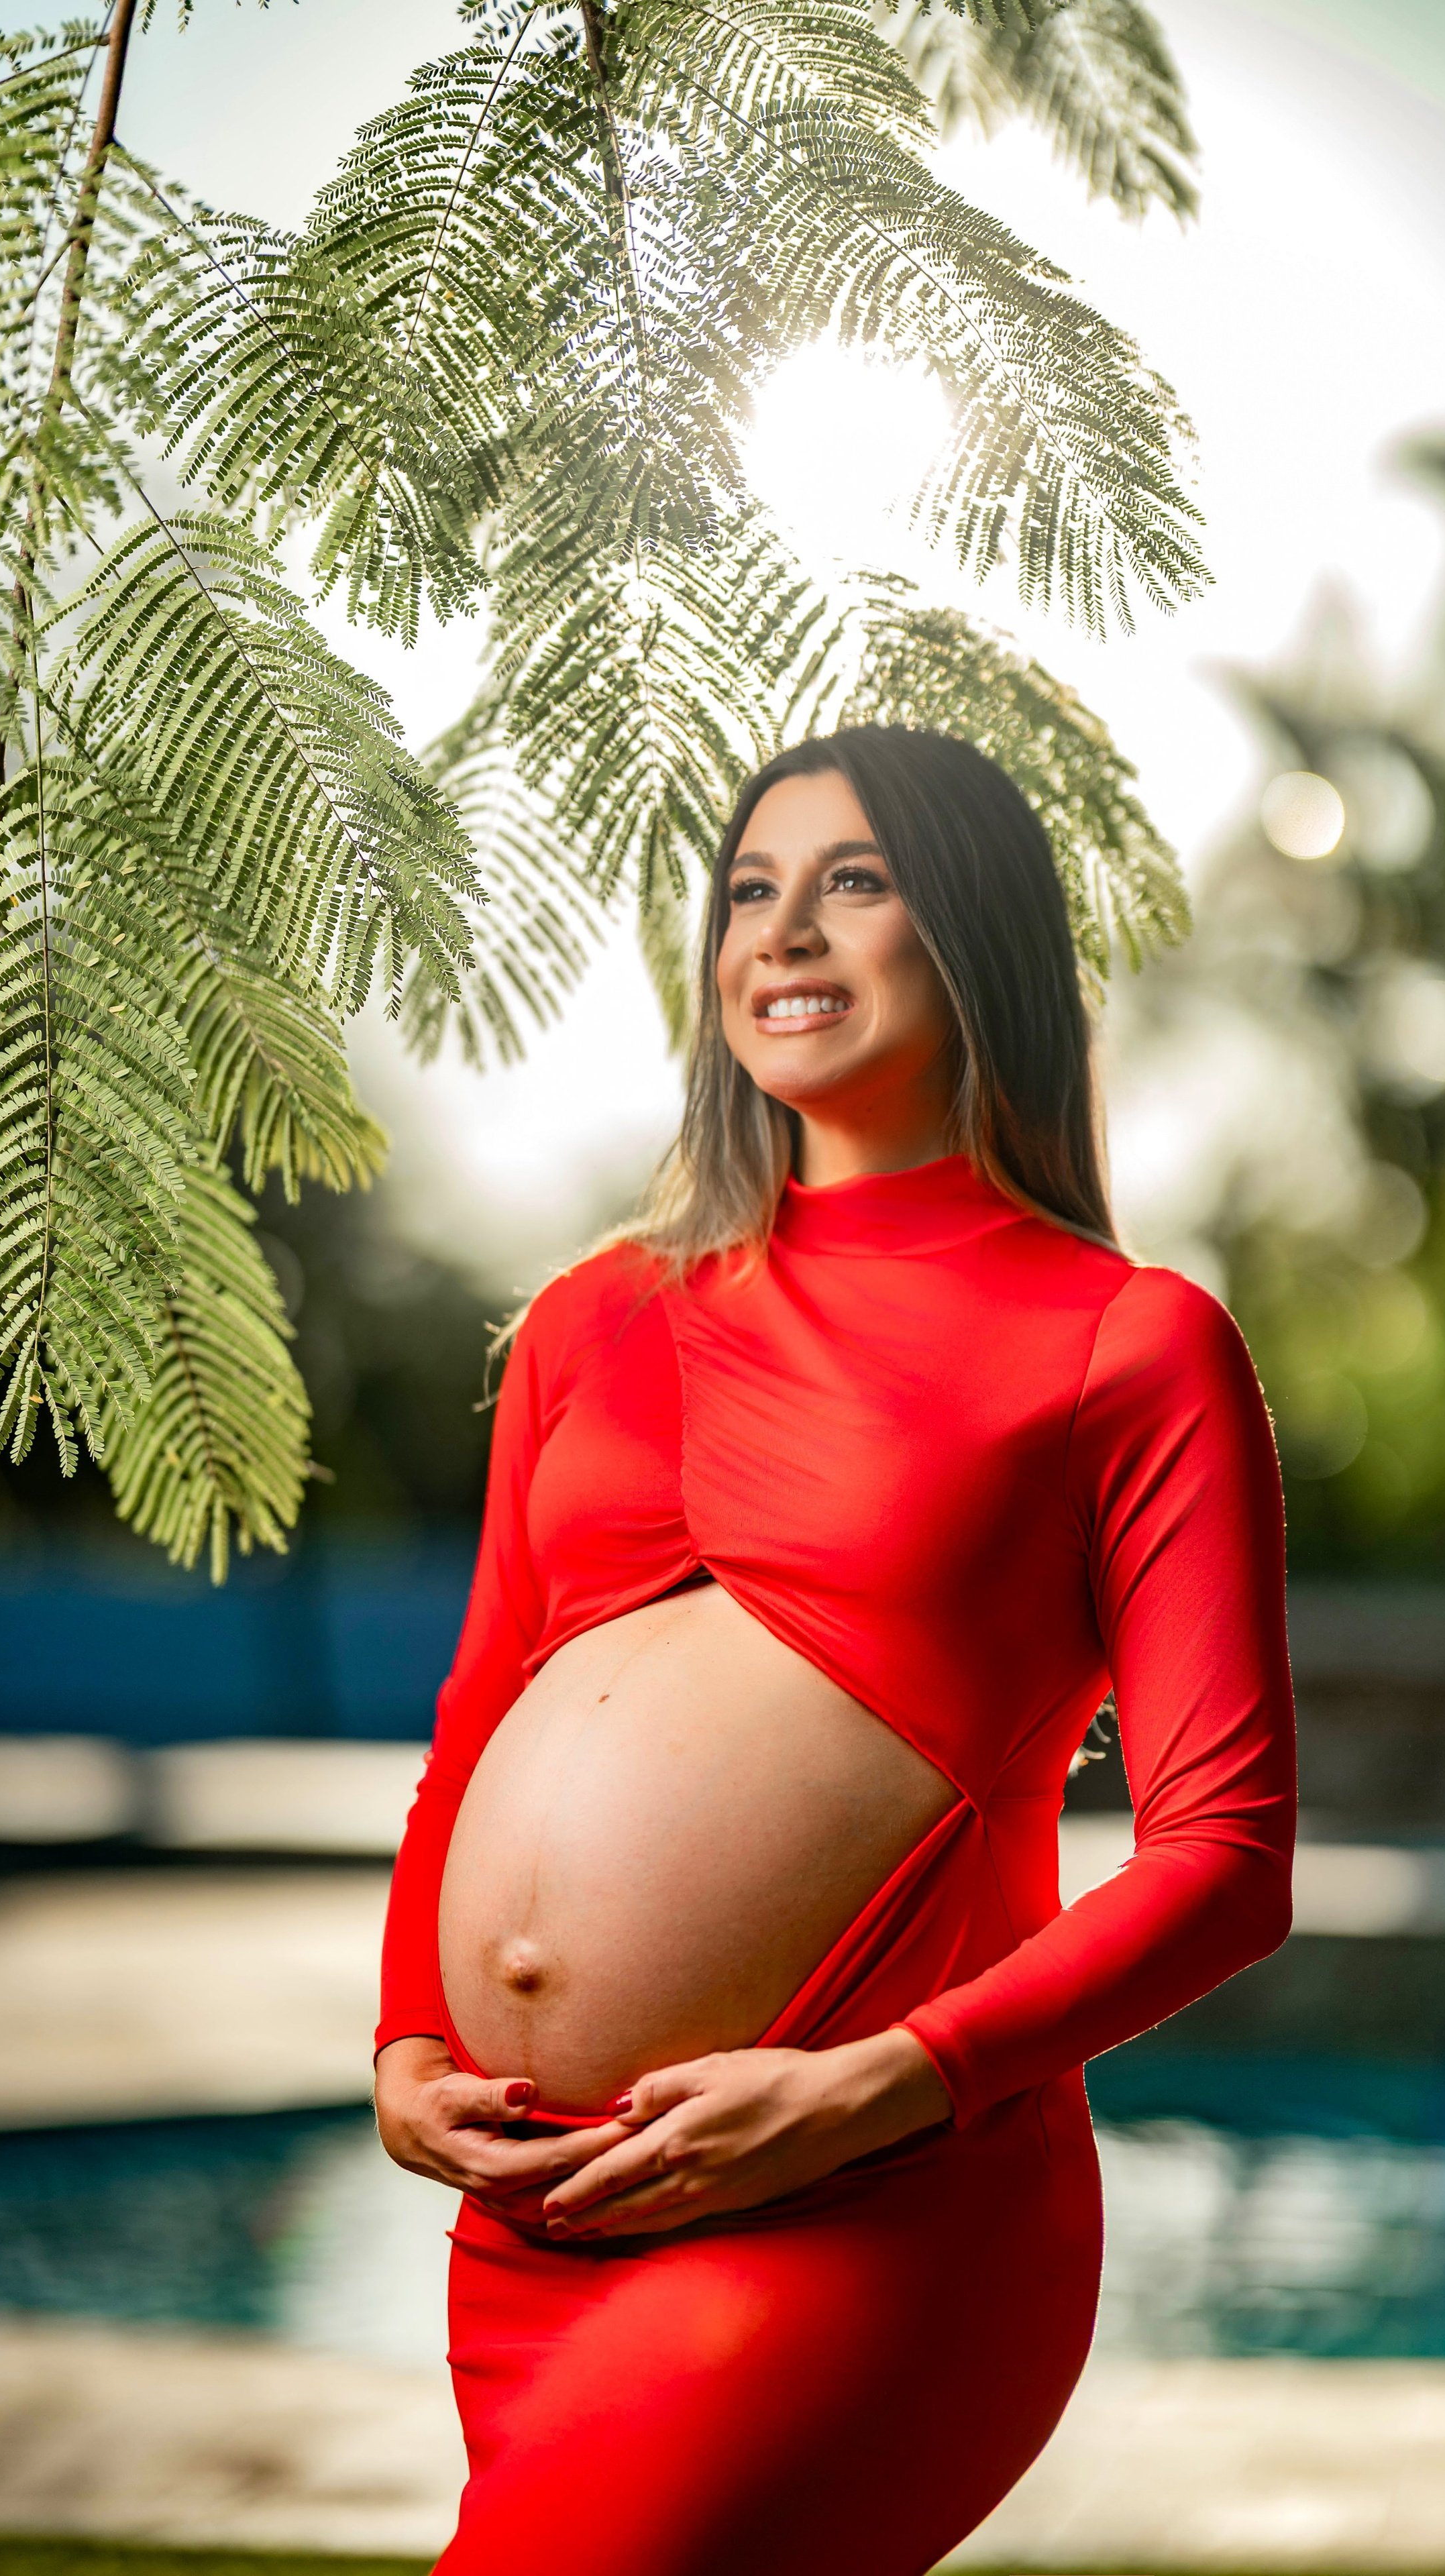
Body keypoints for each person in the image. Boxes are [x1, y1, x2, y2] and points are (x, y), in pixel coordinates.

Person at [373, 727, 1297, 2576]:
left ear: (975, 937)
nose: (784, 934)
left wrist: (871, 2090)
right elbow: (474, 1725)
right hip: (537, 2220)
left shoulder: (1128, 1345)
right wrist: (406, 2038)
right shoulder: (584, 1320)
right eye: (748, 890)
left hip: (871, 2205)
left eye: (854, 881)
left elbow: (1227, 1864)